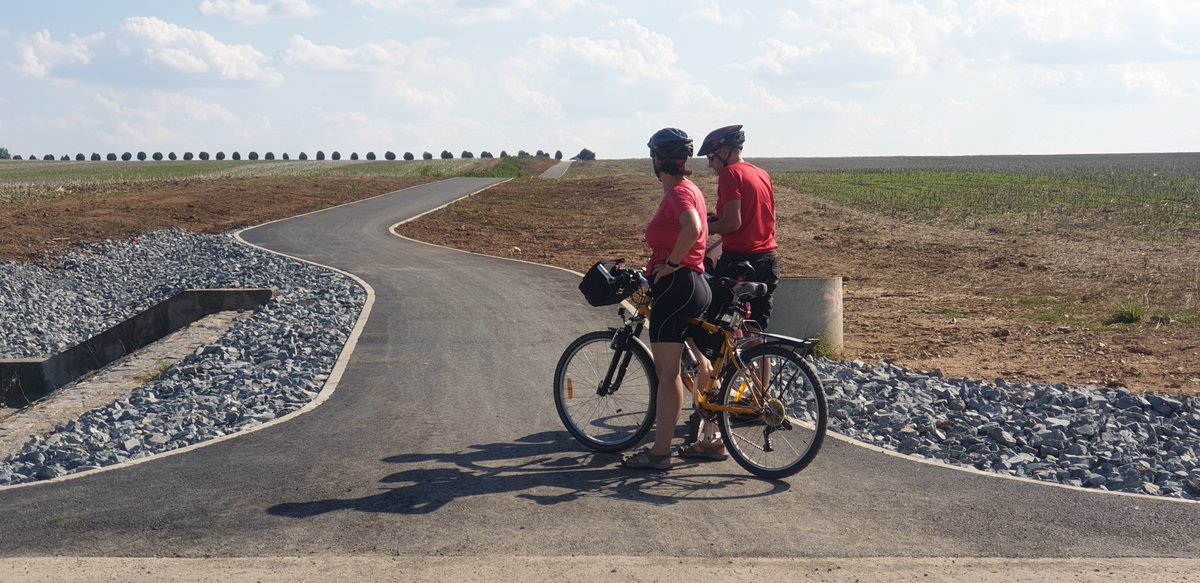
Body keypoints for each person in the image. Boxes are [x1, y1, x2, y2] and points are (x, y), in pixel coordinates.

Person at [680, 124, 779, 461]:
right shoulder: (761, 173)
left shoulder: (730, 174)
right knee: (755, 332)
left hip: (740, 262)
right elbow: (754, 221)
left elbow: (733, 222)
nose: (710, 165)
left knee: (711, 335)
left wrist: (703, 227)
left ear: (724, 152)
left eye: (711, 157)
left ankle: (713, 428)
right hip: (768, 259)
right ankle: (758, 400)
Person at [620, 128, 712, 471]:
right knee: (693, 363)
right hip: (695, 284)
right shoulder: (690, 188)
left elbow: (693, 228)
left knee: (667, 372)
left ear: (658, 159)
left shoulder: (678, 194)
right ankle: (712, 436)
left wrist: (671, 264)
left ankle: (660, 454)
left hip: (677, 287)